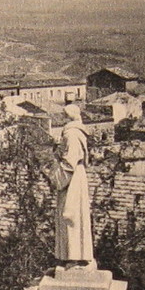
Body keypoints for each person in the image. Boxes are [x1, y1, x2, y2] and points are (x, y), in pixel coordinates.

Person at [53, 101, 95, 267]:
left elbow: (69, 162)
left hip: (72, 179)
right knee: (76, 215)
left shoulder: (71, 134)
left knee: (70, 215)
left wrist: (56, 177)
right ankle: (77, 255)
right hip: (78, 176)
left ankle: (74, 256)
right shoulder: (78, 132)